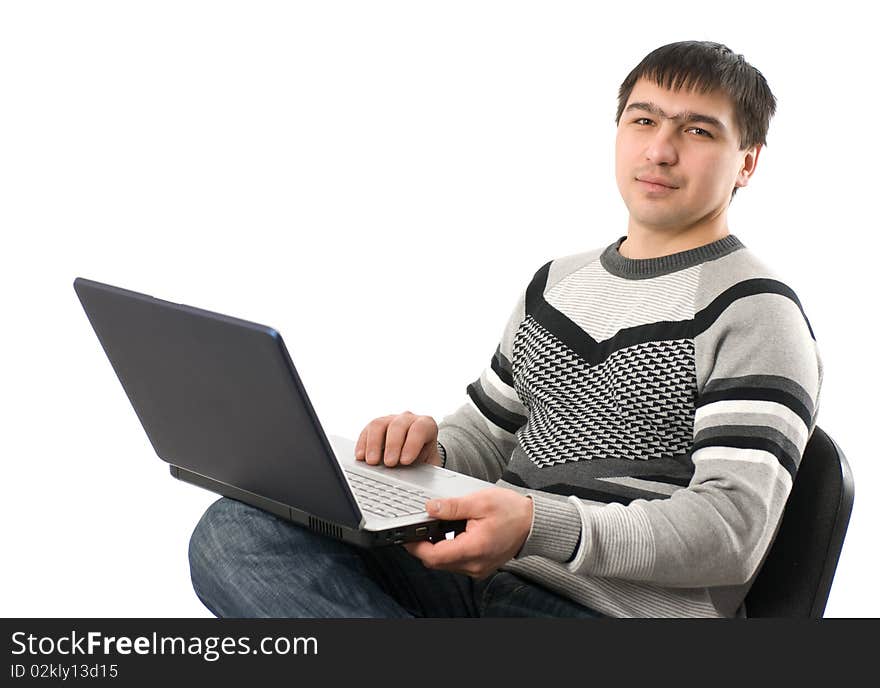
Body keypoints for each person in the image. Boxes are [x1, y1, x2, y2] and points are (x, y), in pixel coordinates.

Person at [187, 40, 822, 618]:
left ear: (747, 162)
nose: (660, 148)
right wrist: (425, 452)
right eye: (644, 120)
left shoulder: (756, 312)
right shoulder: (556, 285)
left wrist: (534, 524)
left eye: (698, 130)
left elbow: (733, 532)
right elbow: (487, 441)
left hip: (605, 616)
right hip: (479, 578)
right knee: (236, 533)